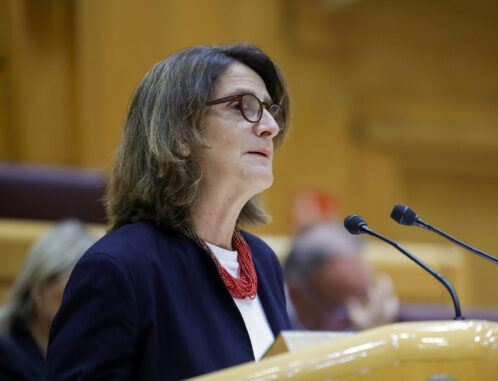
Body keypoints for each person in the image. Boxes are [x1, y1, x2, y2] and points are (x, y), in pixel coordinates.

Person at [45, 44, 291, 380]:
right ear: (179, 135)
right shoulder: (119, 269)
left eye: (268, 110)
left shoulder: (262, 262)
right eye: (242, 106)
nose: (269, 127)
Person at [0, 220, 97, 381]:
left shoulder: (95, 351)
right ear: (38, 288)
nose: (81, 301)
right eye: (72, 289)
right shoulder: (5, 355)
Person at [284, 223, 399, 331]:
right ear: (296, 296)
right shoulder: (271, 326)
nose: (356, 318)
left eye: (362, 302)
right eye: (340, 310)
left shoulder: (372, 319)